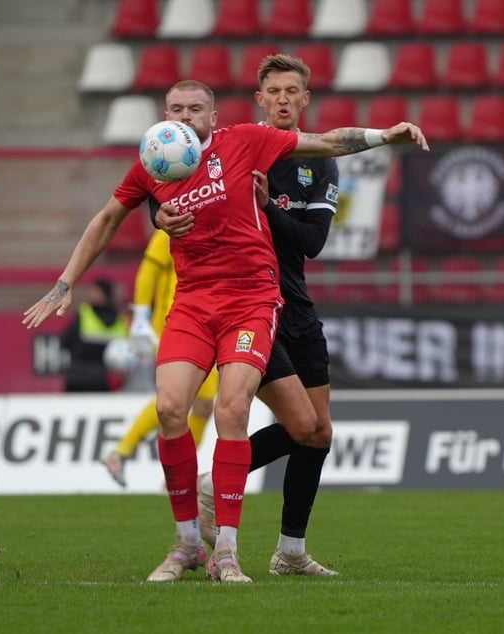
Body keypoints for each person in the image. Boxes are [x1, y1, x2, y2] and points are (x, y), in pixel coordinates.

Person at [22, 78, 428, 584]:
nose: (186, 116)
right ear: (164, 115)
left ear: (213, 117)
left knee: (236, 409)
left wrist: (385, 136)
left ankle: (228, 553)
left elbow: (325, 142)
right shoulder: (155, 163)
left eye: (196, 108)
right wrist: (65, 284)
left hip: (251, 300)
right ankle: (189, 543)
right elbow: (107, 219)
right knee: (170, 408)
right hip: (192, 304)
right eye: (177, 109)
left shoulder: (244, 141)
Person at [157, 55, 341, 576]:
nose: (283, 99)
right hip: (249, 305)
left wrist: (270, 209)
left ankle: (290, 551)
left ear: (305, 100)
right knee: (280, 419)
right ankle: (217, 495)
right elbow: (169, 191)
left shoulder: (319, 162)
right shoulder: (233, 147)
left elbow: (312, 243)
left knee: (317, 431)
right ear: (259, 100)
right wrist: (158, 214)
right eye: (273, 91)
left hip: (296, 303)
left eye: (293, 91)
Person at [101, 229, 219, 486]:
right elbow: (148, 270)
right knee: (185, 401)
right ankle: (170, 477)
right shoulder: (171, 226)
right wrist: (141, 316)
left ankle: (129, 457)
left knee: (199, 405)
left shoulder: (213, 221)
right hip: (176, 325)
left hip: (205, 325)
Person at [59, 278, 129, 393]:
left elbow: (67, 342)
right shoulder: (120, 319)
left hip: (97, 380)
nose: (91, 294)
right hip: (83, 378)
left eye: (96, 291)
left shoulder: (85, 315)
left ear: (105, 294)